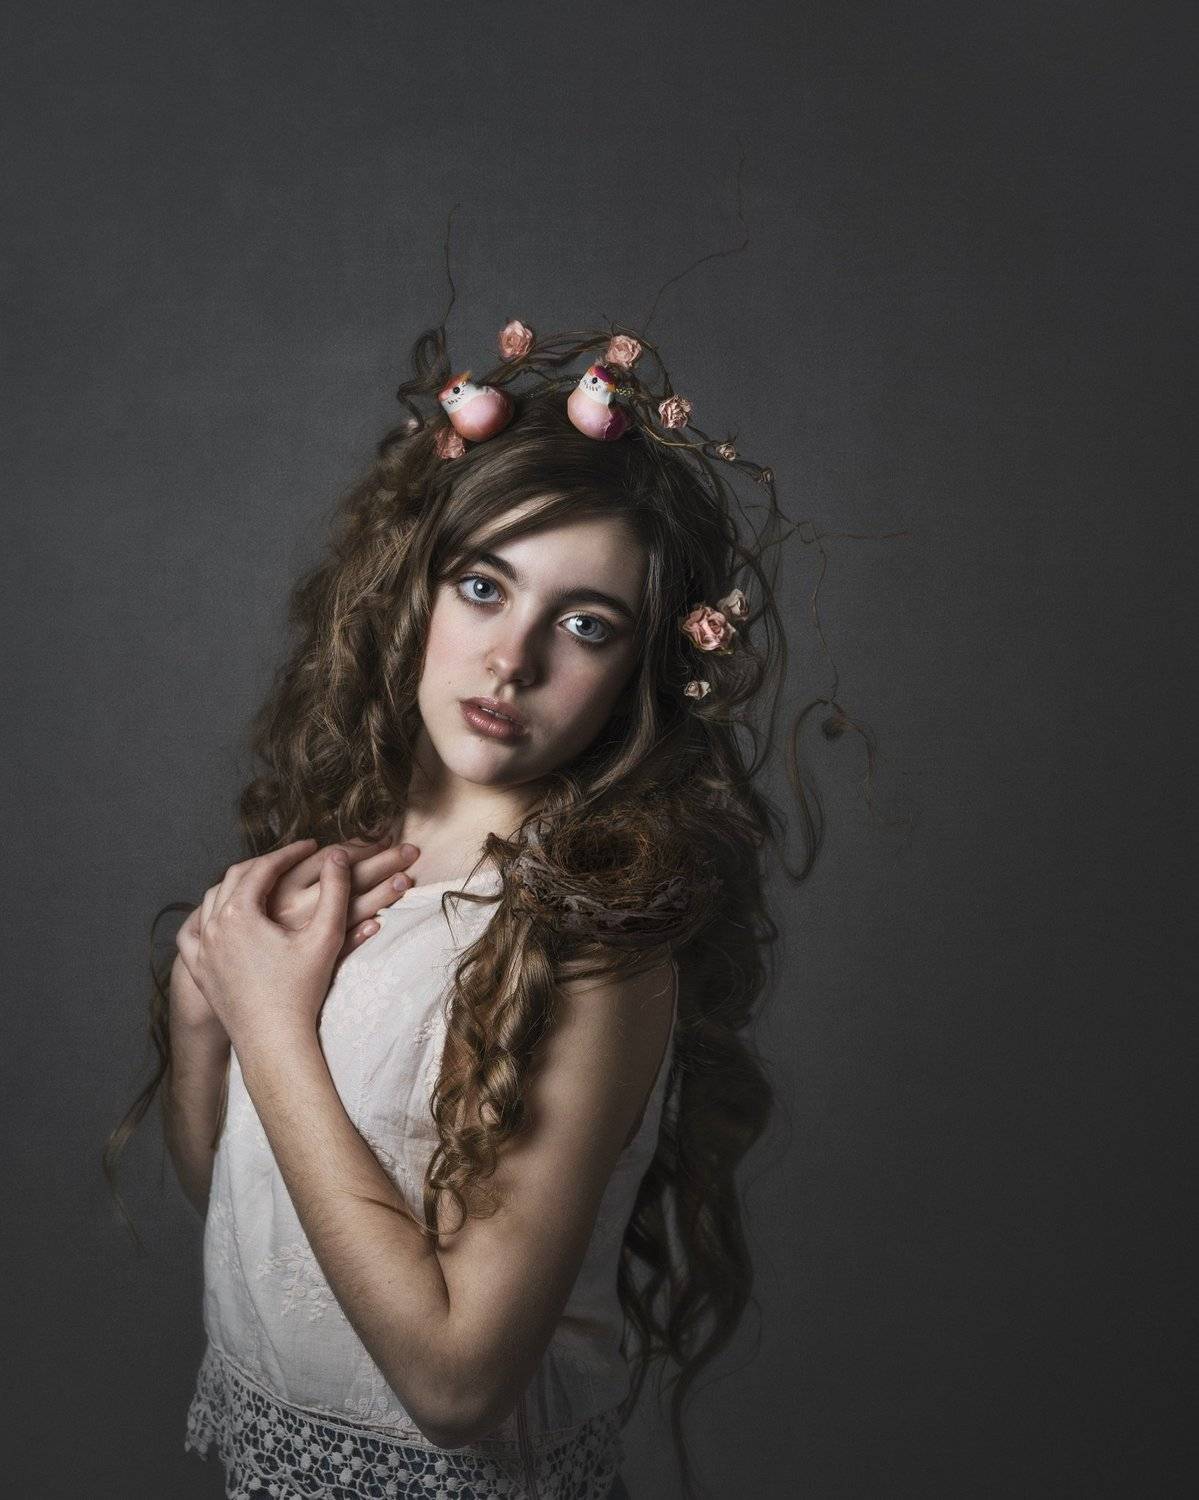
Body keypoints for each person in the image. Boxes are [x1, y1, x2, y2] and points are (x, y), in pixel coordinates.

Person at [105, 312, 861, 1500]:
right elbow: (264, 1218)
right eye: (482, 585)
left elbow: (455, 1385)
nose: (512, 660)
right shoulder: (358, 861)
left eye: (583, 624)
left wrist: (266, 1023)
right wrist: (209, 1022)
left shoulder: (594, 938)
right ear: (414, 585)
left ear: (639, 672)